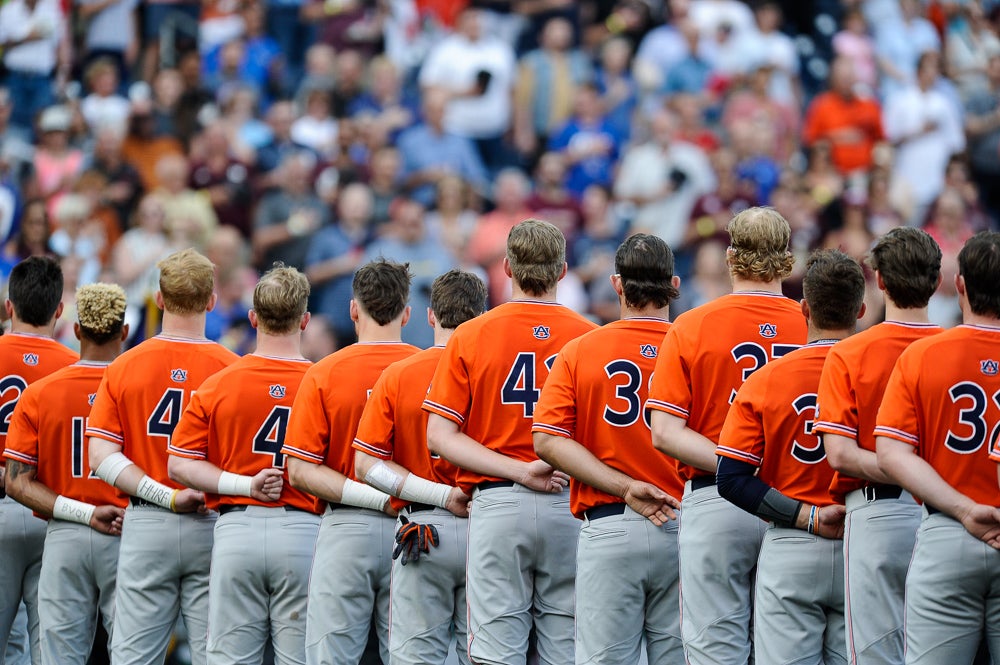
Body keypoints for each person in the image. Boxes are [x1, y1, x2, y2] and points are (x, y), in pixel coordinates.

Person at [423, 219, 597, 665]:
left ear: (506, 268)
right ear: (562, 271)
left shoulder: (471, 333)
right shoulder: (590, 336)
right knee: (565, 647)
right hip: (568, 497)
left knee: (497, 651)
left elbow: (440, 438)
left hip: (498, 500)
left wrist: (517, 470)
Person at [647, 206, 807, 665]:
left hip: (717, 495)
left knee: (716, 650)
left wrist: (739, 466)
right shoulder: (811, 322)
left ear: (731, 257)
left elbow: (665, 433)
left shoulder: (692, 324)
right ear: (786, 258)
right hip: (798, 497)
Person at [532, 233, 685, 665]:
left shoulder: (581, 348)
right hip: (684, 522)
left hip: (610, 522)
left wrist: (623, 487)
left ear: (617, 285)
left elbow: (546, 438)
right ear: (674, 284)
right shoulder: (692, 344)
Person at [87, 248, 239, 665]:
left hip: (147, 521)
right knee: (218, 655)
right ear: (211, 301)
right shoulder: (233, 368)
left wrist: (160, 494)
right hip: (212, 521)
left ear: (159, 299)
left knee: (134, 657)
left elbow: (100, 454)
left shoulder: (125, 364)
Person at [716, 250, 868, 664]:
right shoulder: (883, 372)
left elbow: (730, 478)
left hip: (794, 541)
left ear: (804, 308)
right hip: (867, 541)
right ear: (861, 309)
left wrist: (806, 516)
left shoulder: (767, 377)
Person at [167, 265, 320, 665]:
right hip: (305, 529)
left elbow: (179, 464)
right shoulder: (324, 381)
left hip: (237, 528)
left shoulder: (220, 381)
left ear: (253, 319)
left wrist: (242, 484)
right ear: (304, 319)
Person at [812, 227, 943, 665]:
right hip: (951, 512)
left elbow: (840, 454)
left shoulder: (849, 352)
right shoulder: (954, 347)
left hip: (879, 511)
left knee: (876, 655)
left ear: (880, 281)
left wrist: (905, 471)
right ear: (937, 280)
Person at [282, 258, 420, 665]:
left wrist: (369, 498)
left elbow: (301, 471)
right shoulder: (430, 368)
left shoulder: (325, 372)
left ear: (353, 310)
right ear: (407, 312)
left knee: (331, 656)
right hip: (414, 523)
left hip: (347, 527)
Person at [352, 269, 488, 665]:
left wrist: (439, 495)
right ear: (482, 316)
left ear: (430, 316)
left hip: (426, 527)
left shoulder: (399, 373)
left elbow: (367, 466)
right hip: (488, 523)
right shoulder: (495, 372)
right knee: (487, 655)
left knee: (416, 657)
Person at [876, 231, 1000, 663]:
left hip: (948, 529)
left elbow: (891, 453)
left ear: (960, 285)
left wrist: (965, 509)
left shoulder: (924, 355)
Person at [4, 283, 129, 665]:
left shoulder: (42, 391)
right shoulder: (135, 387)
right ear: (124, 331)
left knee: (57, 657)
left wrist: (80, 512)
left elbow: (17, 481)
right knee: (130, 653)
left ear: (76, 329)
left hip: (64, 530)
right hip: (126, 530)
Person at [0, 256, 78, 664]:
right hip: (53, 510)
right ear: (59, 310)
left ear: (8, 306)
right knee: (47, 648)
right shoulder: (74, 366)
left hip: (4, 506)